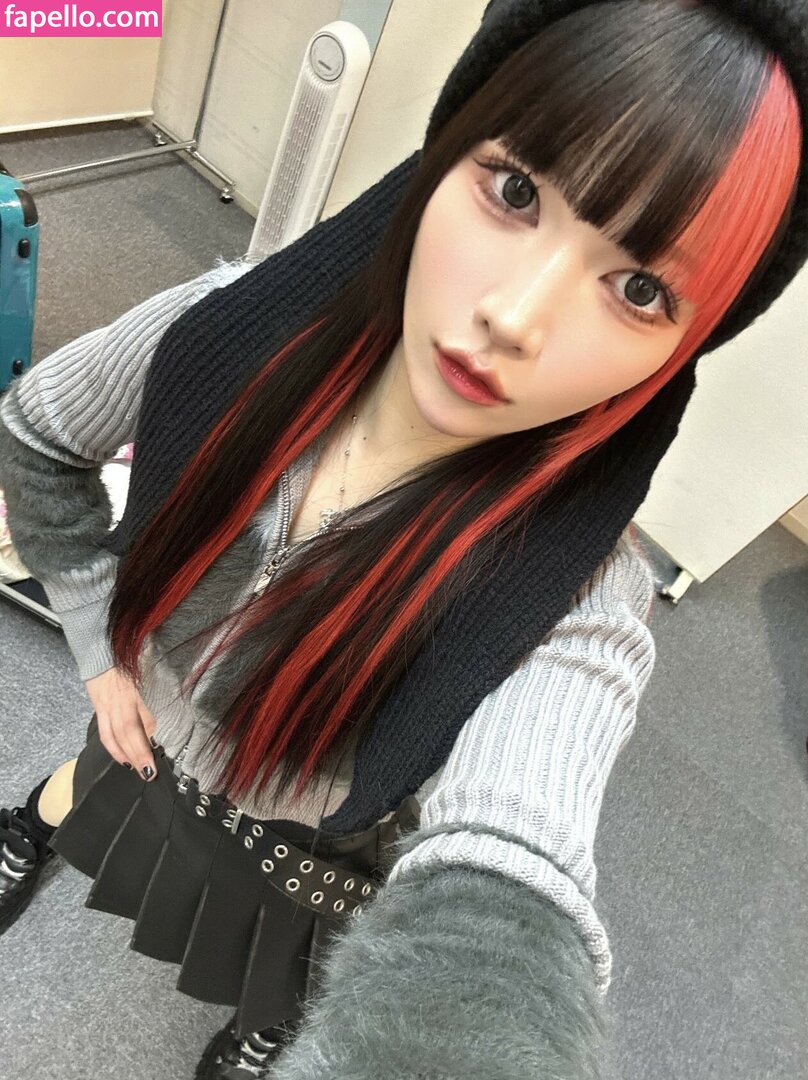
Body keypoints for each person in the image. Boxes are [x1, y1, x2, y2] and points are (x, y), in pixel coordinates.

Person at [0, 0, 805, 1077]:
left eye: (640, 288)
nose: (516, 316)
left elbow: (509, 873)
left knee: (282, 968)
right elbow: (40, 437)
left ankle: (268, 1022)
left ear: (684, 349)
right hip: (139, 733)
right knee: (94, 791)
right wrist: (101, 648)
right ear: (446, 149)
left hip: (300, 856)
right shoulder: (226, 331)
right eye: (514, 191)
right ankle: (38, 818)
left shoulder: (572, 597)